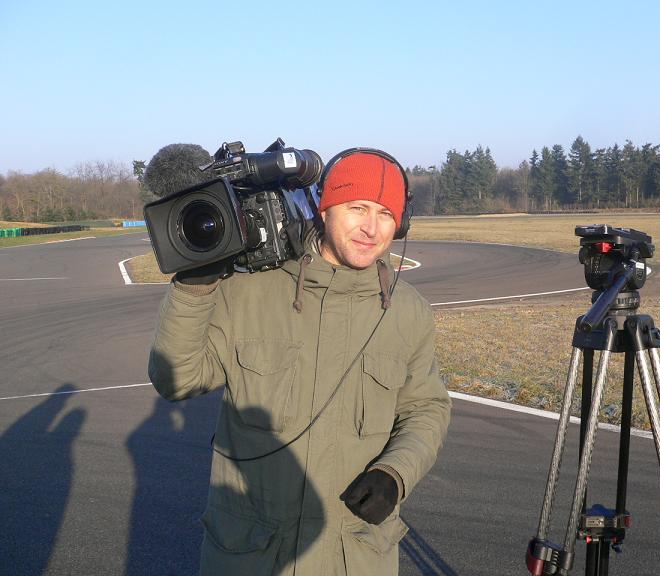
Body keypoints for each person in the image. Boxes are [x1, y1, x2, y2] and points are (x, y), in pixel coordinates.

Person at [148, 148, 451, 575]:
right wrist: (194, 288)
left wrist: (395, 473)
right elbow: (175, 380)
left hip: (354, 555)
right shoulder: (249, 290)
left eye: (385, 213)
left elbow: (426, 410)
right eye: (357, 208)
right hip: (252, 553)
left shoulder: (409, 312)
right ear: (324, 210)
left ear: (400, 224)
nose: (371, 227)